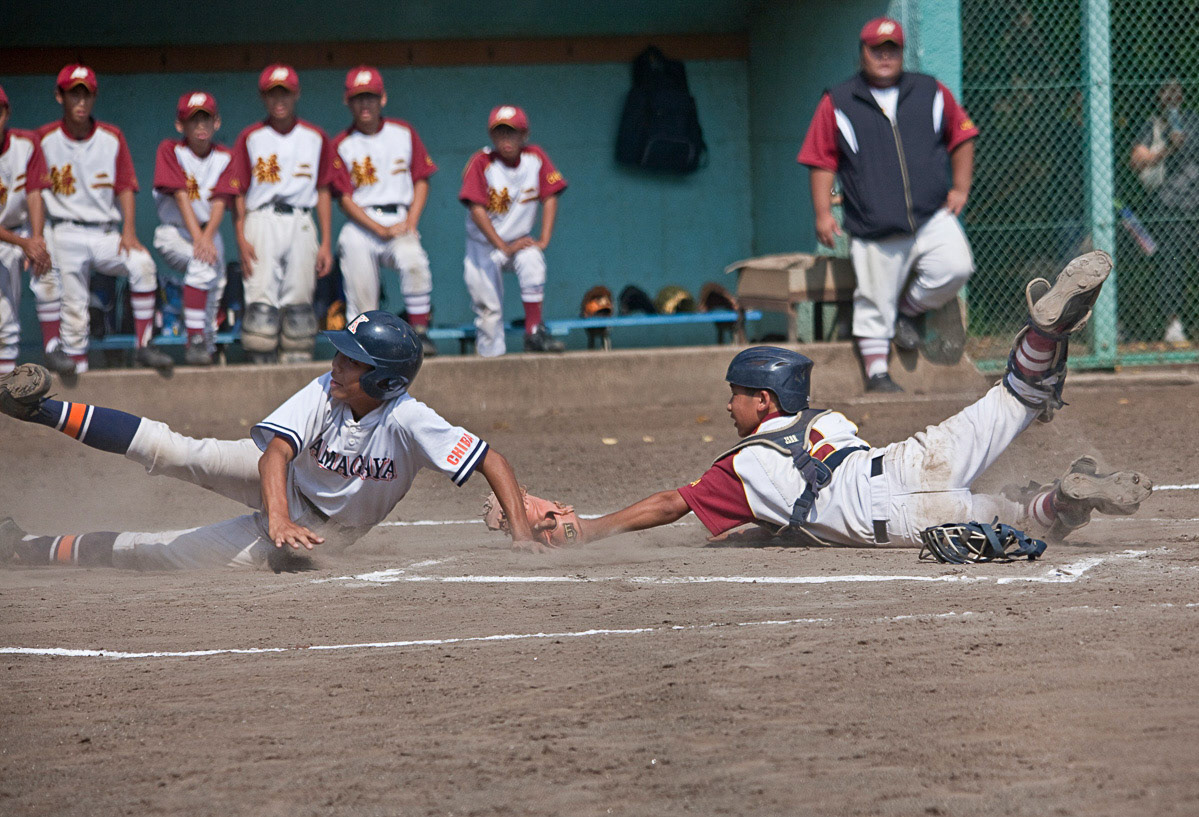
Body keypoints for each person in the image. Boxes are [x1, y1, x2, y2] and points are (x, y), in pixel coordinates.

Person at [528, 252, 1152, 549]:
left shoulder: (742, 467)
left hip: (906, 518)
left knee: (1023, 521)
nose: (729, 408)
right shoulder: (826, 417)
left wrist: (595, 528)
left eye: (738, 398)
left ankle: (1062, 499)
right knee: (1014, 396)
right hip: (913, 459)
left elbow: (671, 504)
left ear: (765, 402)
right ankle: (1044, 334)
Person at [0, 311, 543, 570]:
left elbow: (492, 460)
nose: (337, 363)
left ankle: (26, 550)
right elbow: (276, 454)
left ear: (385, 380)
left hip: (310, 534)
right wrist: (279, 515)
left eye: (352, 359)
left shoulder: (410, 421)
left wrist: (521, 538)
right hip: (281, 486)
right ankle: (39, 410)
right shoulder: (325, 390)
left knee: (157, 553)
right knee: (174, 450)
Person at [798, 17, 978, 392]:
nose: (884, 56)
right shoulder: (839, 99)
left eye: (891, 49)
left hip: (930, 215)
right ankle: (878, 374)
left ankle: (907, 313)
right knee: (874, 301)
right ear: (862, 52)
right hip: (873, 223)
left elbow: (961, 134)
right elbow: (821, 159)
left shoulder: (929, 90)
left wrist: (960, 188)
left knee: (956, 266)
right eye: (875, 49)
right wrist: (822, 214)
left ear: (901, 52)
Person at [29, 64, 174, 377]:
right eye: (73, 94)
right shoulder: (43, 138)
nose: (80, 101)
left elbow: (125, 186)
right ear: (60, 96)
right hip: (64, 230)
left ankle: (144, 344)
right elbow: (36, 192)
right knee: (75, 314)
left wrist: (130, 230)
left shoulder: (111, 136)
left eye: (87, 94)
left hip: (105, 232)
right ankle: (74, 373)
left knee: (142, 264)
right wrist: (38, 235)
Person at [229, 64, 346, 364]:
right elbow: (238, 192)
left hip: (301, 219)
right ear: (263, 97)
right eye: (272, 94)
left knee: (299, 306)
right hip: (262, 218)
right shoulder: (251, 136)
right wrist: (241, 239)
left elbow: (323, 190)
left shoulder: (315, 136)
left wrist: (325, 242)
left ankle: (295, 378)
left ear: (296, 95)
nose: (279, 100)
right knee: (261, 304)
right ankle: (260, 376)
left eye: (285, 93)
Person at [333, 66, 438, 357]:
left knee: (414, 261)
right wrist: (378, 229)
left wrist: (411, 221)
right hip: (363, 222)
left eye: (370, 97)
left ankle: (419, 330)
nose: (364, 104)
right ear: (347, 101)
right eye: (358, 98)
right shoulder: (341, 143)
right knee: (357, 272)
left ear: (383, 99)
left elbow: (421, 178)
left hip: (399, 216)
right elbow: (343, 197)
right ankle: (363, 341)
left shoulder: (402, 132)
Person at [459, 105, 567, 356]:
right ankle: (490, 362)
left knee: (533, 261)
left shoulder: (535, 157)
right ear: (492, 136)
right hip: (483, 246)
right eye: (500, 133)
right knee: (489, 313)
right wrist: (503, 246)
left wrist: (544, 239)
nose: (506, 139)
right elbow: (476, 210)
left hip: (518, 242)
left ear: (524, 135)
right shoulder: (482, 161)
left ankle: (534, 333)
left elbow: (550, 195)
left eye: (512, 132)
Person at [152, 91, 238, 366]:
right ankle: (195, 340)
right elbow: (179, 195)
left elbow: (220, 201)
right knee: (202, 266)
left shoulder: (225, 156)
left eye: (206, 119)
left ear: (217, 123)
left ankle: (205, 351)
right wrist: (201, 240)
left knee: (214, 292)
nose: (200, 126)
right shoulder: (170, 149)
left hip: (208, 232)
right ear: (181, 125)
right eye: (193, 120)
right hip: (175, 232)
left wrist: (206, 237)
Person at [1130, 78, 1199, 346]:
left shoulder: (1193, 120)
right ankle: (1173, 325)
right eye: (1166, 91)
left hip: (1195, 202)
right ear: (1158, 95)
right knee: (1172, 263)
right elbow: (1137, 161)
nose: (1172, 96)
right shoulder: (1153, 125)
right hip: (1170, 206)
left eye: (1176, 90)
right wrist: (1168, 149)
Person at [0, 84, 53, 375]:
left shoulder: (26, 143)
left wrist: (37, 240)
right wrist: (25, 242)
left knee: (6, 324)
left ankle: (4, 402)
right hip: (13, 238)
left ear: (5, 113)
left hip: (16, 233)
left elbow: (35, 193)